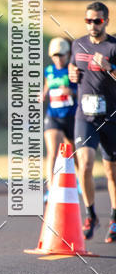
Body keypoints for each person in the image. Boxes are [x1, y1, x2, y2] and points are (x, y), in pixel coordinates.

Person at [68, 1, 116, 242]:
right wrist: (71, 73)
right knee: (85, 165)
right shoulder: (78, 44)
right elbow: (72, 66)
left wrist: (110, 67)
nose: (92, 25)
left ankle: (115, 218)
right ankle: (90, 215)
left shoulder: (114, 46)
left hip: (112, 117)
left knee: (111, 172)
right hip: (84, 116)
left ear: (106, 21)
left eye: (97, 21)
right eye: (88, 20)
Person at [43, 37, 77, 195]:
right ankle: (51, 189)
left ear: (68, 54)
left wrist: (72, 92)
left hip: (71, 116)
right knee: (52, 151)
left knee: (74, 153)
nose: (57, 59)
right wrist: (42, 95)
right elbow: (48, 85)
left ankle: (78, 182)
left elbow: (83, 90)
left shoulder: (73, 70)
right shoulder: (49, 70)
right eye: (54, 56)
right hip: (53, 116)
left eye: (61, 55)